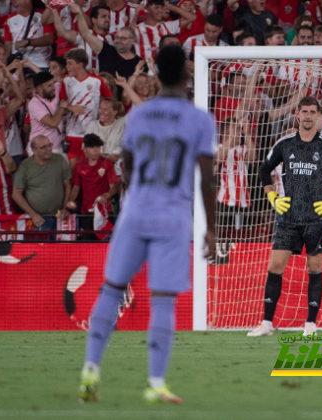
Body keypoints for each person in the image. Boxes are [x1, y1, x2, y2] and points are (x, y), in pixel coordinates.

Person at [78, 46, 216, 404]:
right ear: (187, 76)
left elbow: (127, 163)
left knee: (111, 289)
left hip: (135, 210)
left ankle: (91, 368)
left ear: (155, 74)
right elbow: (206, 179)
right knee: (163, 300)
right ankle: (156, 381)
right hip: (172, 215)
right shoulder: (199, 119)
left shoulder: (138, 116)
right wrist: (210, 229)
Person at [248, 96, 322, 337]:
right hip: (288, 217)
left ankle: (310, 325)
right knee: (275, 266)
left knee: (314, 268)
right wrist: (272, 197)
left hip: (317, 219)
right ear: (298, 115)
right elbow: (263, 170)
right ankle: (267, 325)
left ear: (318, 115)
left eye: (313, 112)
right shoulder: (284, 144)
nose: (309, 116)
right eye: (305, 112)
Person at [60, 48, 112, 169]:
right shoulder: (66, 80)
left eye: (70, 63)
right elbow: (61, 103)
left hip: (91, 132)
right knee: (73, 169)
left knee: (89, 169)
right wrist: (70, 107)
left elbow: (108, 99)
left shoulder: (96, 81)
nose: (67, 67)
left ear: (80, 64)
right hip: (72, 132)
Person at [12, 135, 71, 231]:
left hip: (60, 217)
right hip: (39, 219)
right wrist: (33, 214)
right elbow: (16, 194)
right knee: (42, 246)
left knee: (62, 246)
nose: (49, 149)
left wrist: (65, 208)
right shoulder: (25, 166)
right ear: (34, 150)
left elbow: (68, 185)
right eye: (44, 147)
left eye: (50, 145)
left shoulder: (60, 159)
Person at [67, 133, 118, 237]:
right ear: (85, 149)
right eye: (92, 147)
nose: (95, 150)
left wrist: (106, 195)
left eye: (97, 147)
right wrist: (70, 202)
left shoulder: (107, 163)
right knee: (88, 242)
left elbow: (114, 187)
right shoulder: (79, 164)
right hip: (86, 210)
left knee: (105, 243)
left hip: (105, 210)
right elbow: (76, 187)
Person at [53, 4, 112, 72]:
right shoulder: (83, 35)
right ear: (94, 20)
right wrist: (54, 10)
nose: (108, 19)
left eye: (109, 17)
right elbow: (62, 32)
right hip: (85, 78)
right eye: (104, 16)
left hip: (106, 79)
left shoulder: (114, 38)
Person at [2, 0, 55, 71]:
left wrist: (28, 42)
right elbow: (8, 49)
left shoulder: (43, 15)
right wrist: (6, 69)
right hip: (18, 66)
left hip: (41, 64)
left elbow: (50, 39)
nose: (13, 2)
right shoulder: (9, 19)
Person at [27, 71, 67, 155]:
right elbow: (53, 123)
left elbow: (69, 79)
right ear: (39, 89)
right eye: (49, 85)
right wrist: (62, 106)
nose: (54, 88)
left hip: (58, 147)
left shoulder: (55, 88)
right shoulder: (34, 104)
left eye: (53, 84)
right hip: (40, 150)